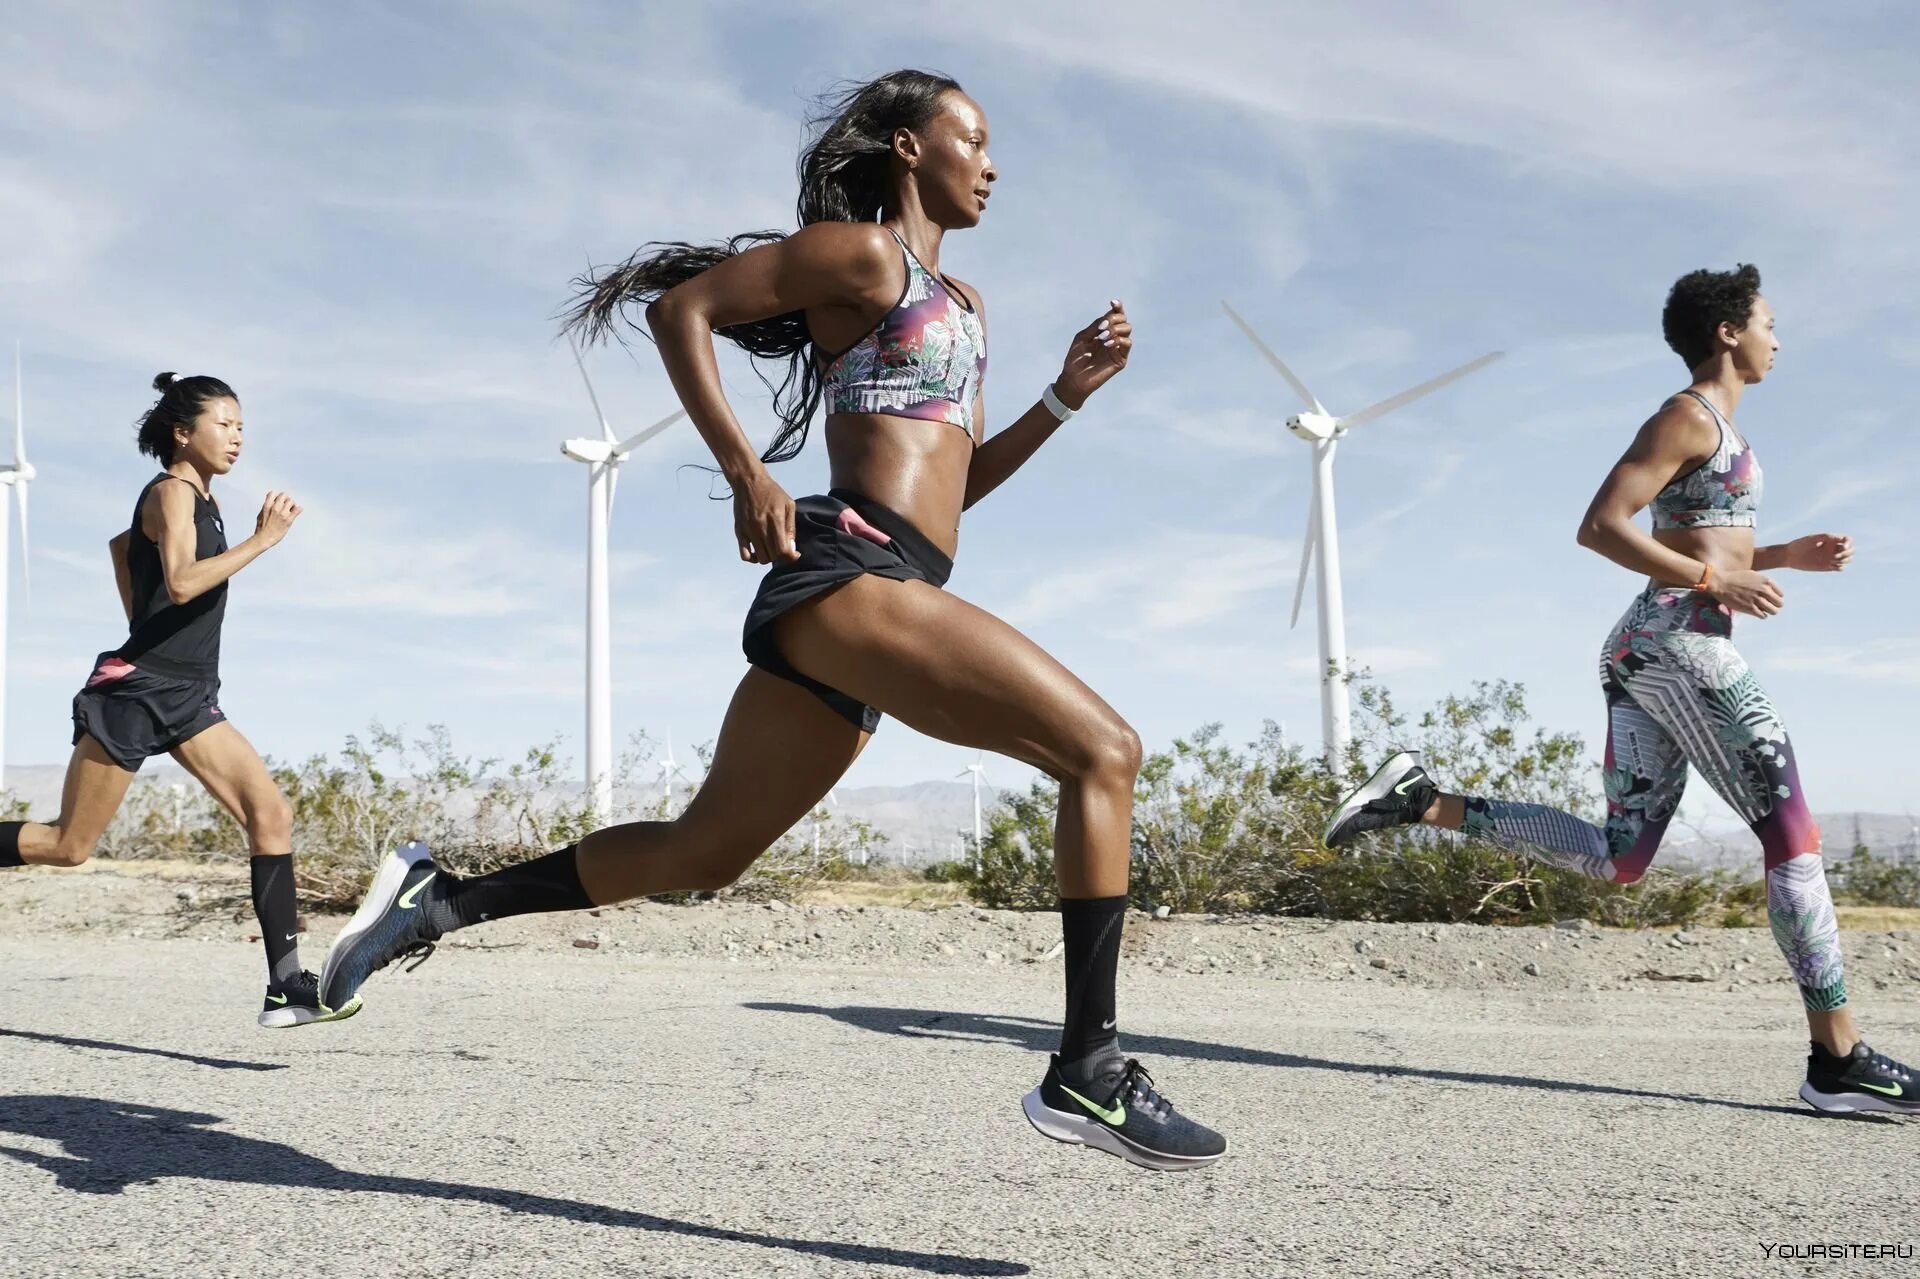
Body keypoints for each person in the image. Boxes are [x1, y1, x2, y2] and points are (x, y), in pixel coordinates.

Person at [321, 69, 1225, 1169]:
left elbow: (958, 485)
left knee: (712, 848)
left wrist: (1064, 397)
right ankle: (1089, 1066)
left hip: (899, 584)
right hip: (848, 572)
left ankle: (440, 901)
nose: (991, 165)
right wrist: (745, 468)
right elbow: (680, 308)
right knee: (1106, 750)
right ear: (909, 146)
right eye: (972, 140)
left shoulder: (969, 307)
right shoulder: (864, 255)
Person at [1325, 265, 1917, 1115]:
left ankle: (1421, 801)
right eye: (1769, 323)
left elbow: (1695, 533)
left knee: (1620, 858)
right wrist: (1716, 581)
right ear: (1727, 332)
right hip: (1680, 645)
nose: (1778, 339)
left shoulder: (1719, 430)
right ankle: (1841, 1059)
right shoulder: (1687, 414)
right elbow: (1602, 525)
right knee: (1793, 835)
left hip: (1653, 647)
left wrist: (1785, 557)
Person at [0, 372, 355, 1029]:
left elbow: (120, 549)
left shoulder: (202, 500)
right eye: (225, 423)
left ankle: (287, 987)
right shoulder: (171, 491)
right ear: (183, 432)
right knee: (68, 845)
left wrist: (144, 618)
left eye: (242, 425)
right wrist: (262, 542)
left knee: (270, 811)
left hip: (189, 694)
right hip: (139, 695)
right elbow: (185, 582)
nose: (238, 437)